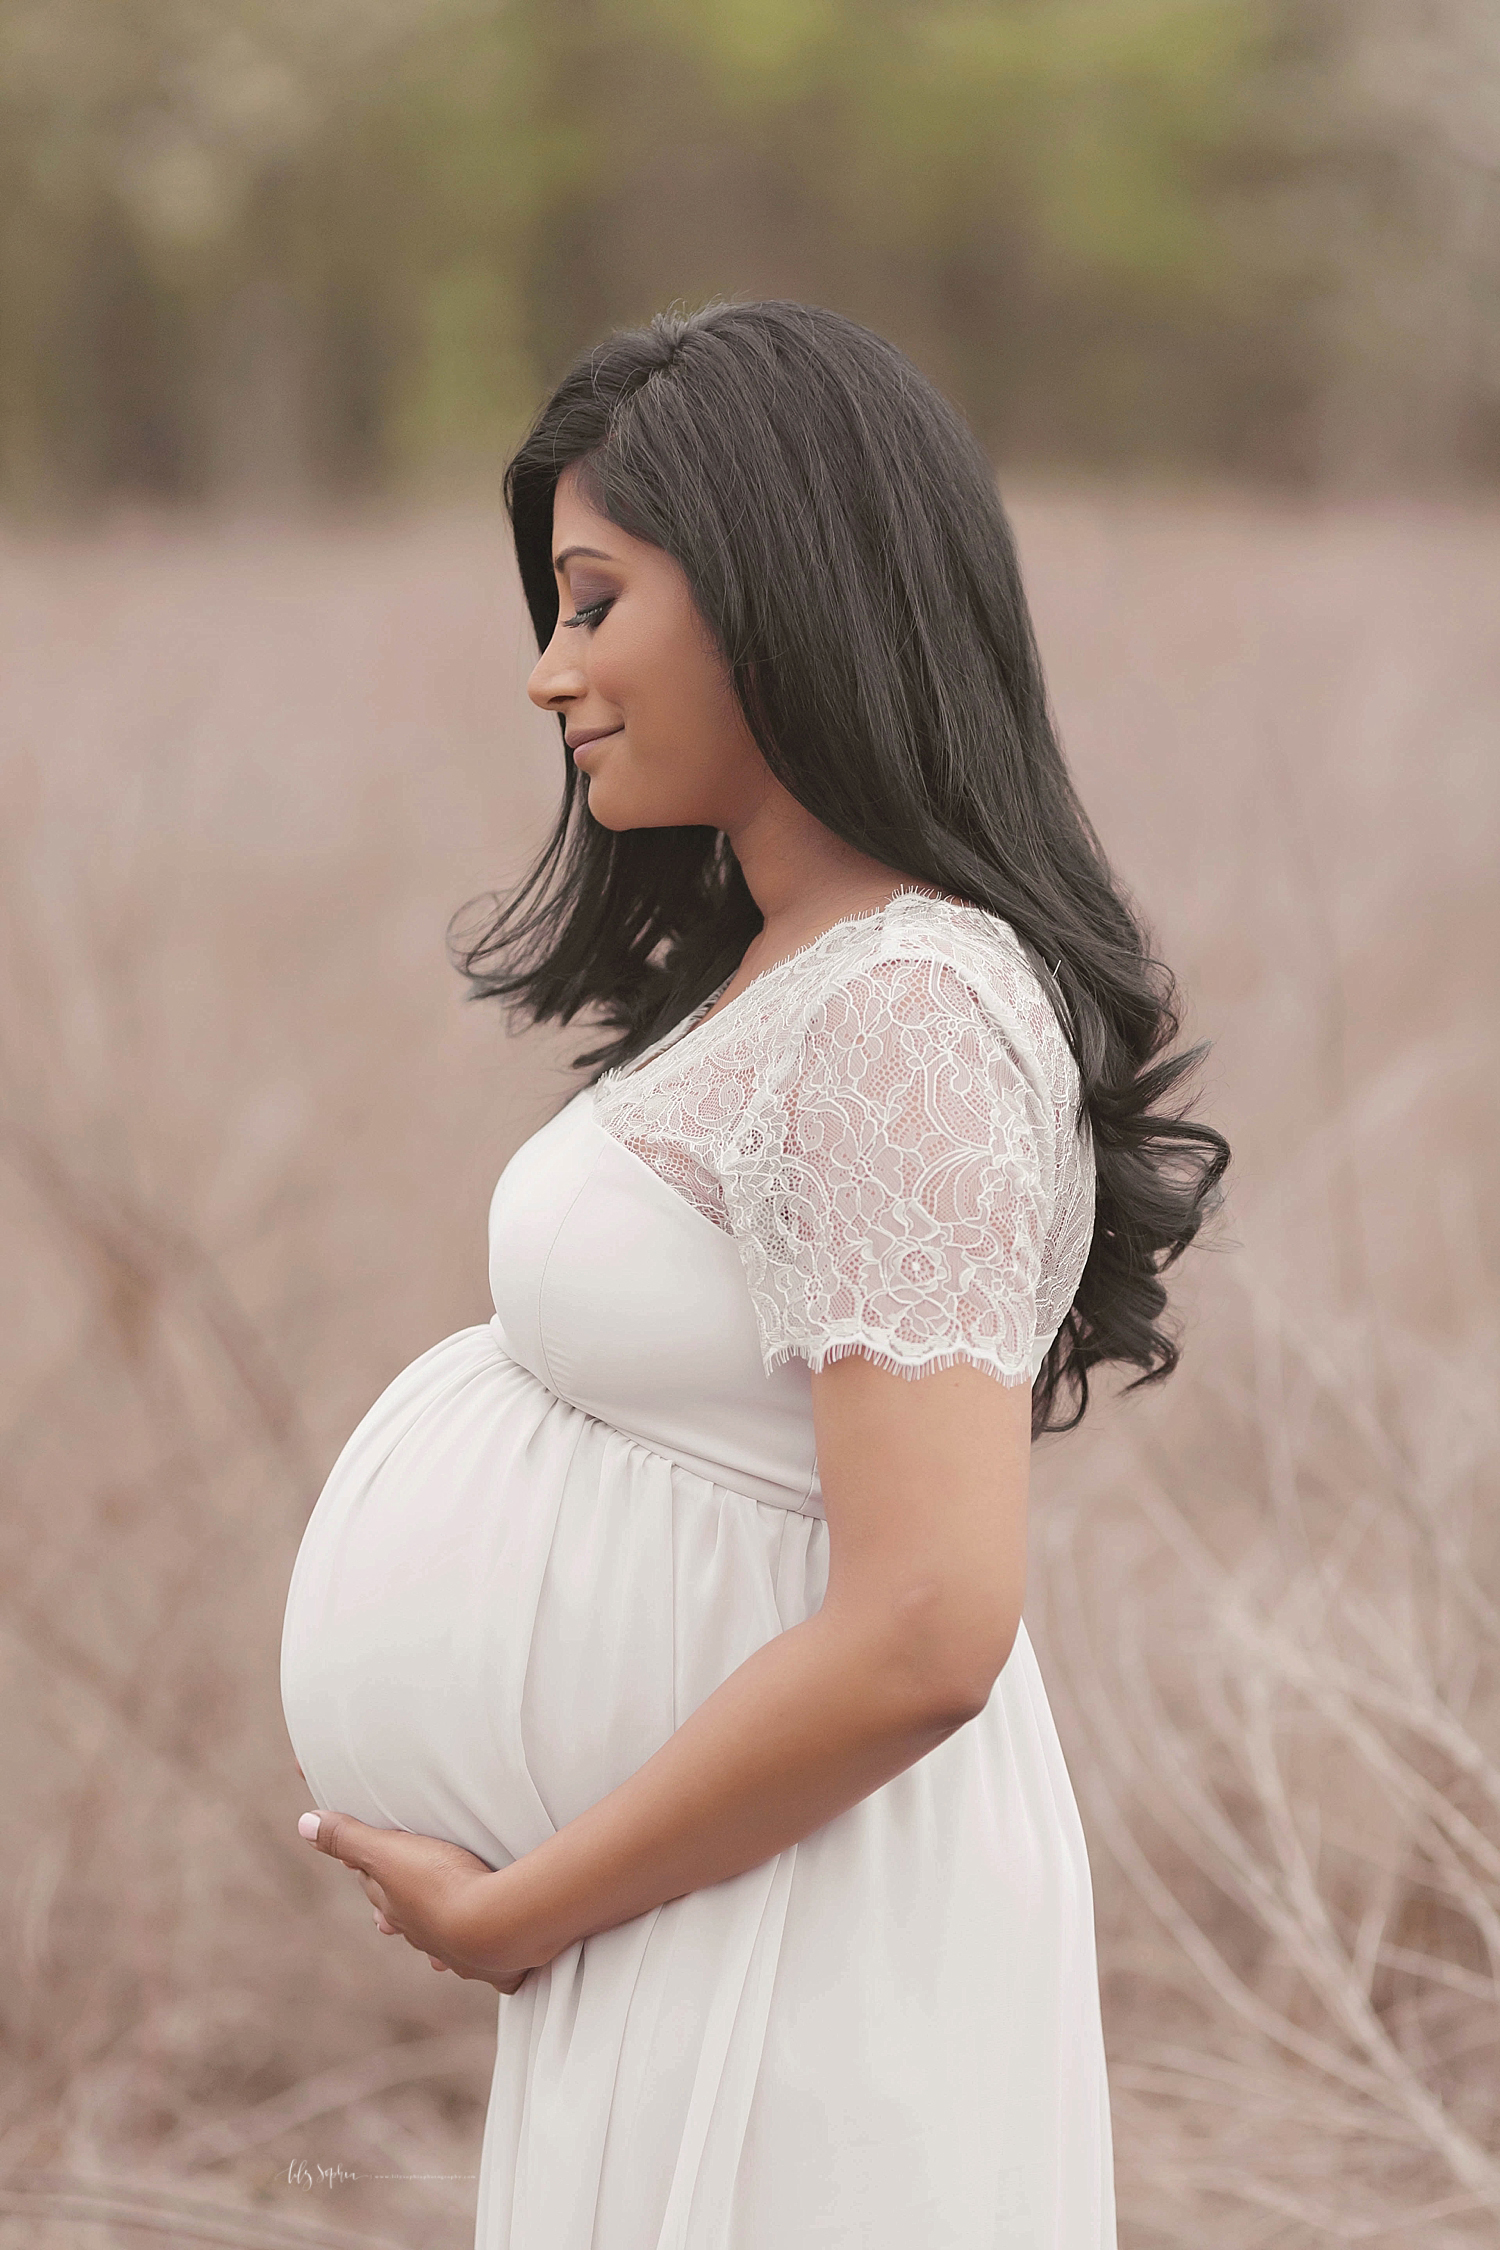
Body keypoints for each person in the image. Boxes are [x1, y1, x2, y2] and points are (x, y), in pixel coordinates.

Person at [280, 299, 1228, 2249]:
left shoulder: (909, 1008)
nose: (553, 674)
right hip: (708, 1901)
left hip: (804, 1934)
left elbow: (931, 1624)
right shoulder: (799, 974)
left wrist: (517, 1909)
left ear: (780, 587)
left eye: (595, 598)